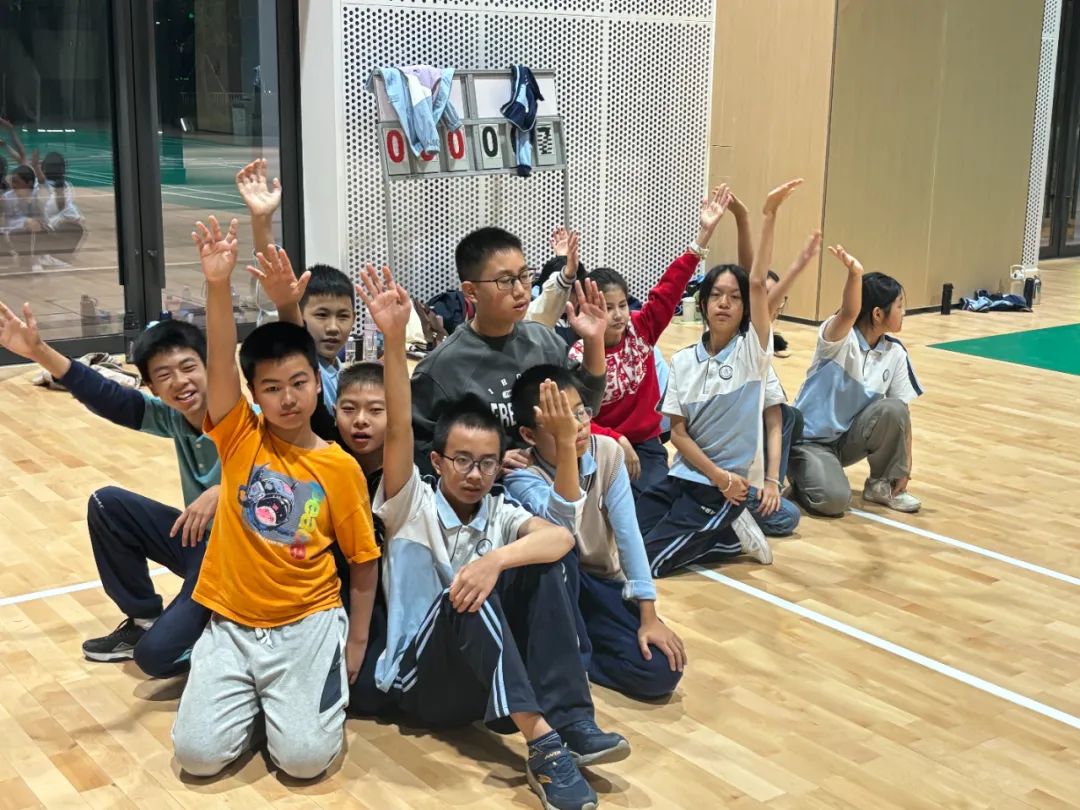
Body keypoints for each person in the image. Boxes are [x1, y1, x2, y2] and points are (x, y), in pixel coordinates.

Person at [356, 264, 630, 810]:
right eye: (462, 460)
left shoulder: (499, 509)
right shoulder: (410, 504)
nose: (475, 473)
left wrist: (495, 561)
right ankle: (545, 748)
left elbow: (560, 540)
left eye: (486, 462)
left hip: (474, 691)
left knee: (541, 563)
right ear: (437, 461)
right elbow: (401, 428)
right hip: (418, 682)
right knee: (467, 593)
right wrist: (394, 339)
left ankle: (572, 720)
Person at [171, 216, 379, 780]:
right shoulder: (239, 434)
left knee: (305, 763)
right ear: (254, 395)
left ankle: (285, 707)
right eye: (271, 388)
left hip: (309, 623)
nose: (288, 398)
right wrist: (217, 285)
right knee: (196, 757)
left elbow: (363, 560)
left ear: (317, 380)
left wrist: (357, 641)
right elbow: (220, 363)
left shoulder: (339, 467)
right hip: (233, 624)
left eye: (299, 383)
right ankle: (259, 703)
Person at [0, 305, 218, 677]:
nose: (180, 381)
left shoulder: (246, 417)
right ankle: (145, 620)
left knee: (157, 658)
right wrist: (39, 352)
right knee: (108, 503)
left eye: (188, 367)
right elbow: (109, 397)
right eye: (164, 375)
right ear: (152, 387)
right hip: (201, 545)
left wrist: (226, 492)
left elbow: (288, 478)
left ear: (212, 368)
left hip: (242, 561)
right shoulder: (173, 416)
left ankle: (227, 638)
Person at [635, 179, 803, 577]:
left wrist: (760, 215)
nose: (725, 303)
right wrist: (716, 475)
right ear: (703, 303)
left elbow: (756, 281)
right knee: (624, 544)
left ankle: (727, 532)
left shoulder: (751, 353)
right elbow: (678, 435)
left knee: (649, 566)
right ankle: (728, 538)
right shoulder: (683, 360)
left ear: (746, 308)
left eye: (735, 297)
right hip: (688, 476)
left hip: (726, 489)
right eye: (716, 295)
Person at [504, 366, 687, 700]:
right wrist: (565, 446)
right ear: (529, 435)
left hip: (601, 586)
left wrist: (649, 615)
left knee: (661, 670)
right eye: (561, 422)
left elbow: (629, 535)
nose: (576, 426)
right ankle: (567, 655)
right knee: (562, 553)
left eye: (580, 413)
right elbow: (563, 529)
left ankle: (577, 656)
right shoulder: (521, 477)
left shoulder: (606, 452)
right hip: (556, 592)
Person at [567, 185, 734, 496]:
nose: (618, 315)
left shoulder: (640, 329)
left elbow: (669, 288)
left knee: (655, 502)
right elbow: (576, 416)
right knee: (609, 507)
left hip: (646, 444)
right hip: (598, 444)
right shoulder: (579, 354)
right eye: (607, 307)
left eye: (622, 305)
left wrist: (703, 236)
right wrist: (615, 439)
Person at [410, 226, 609, 473]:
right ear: (471, 291)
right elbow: (421, 454)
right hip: (486, 490)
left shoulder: (545, 341)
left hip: (555, 479)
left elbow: (588, 405)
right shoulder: (440, 368)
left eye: (524, 275)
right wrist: (486, 462)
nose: (520, 290)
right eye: (505, 281)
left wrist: (594, 340)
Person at [787, 245, 923, 516]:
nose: (904, 312)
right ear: (877, 313)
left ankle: (880, 485)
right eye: (899, 306)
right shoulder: (838, 340)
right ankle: (801, 476)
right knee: (834, 501)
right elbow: (849, 313)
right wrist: (854, 274)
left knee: (894, 408)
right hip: (809, 442)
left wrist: (904, 469)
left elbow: (901, 415)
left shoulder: (895, 352)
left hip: (847, 440)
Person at [236, 159, 355, 414]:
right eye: (321, 315)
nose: (333, 327)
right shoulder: (301, 366)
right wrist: (262, 220)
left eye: (343, 316)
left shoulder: (336, 370)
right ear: (300, 315)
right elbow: (273, 268)